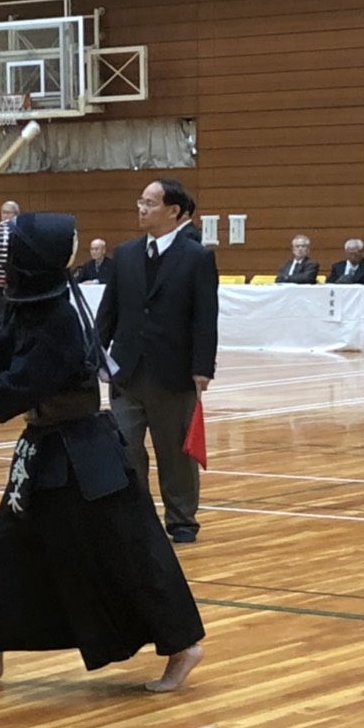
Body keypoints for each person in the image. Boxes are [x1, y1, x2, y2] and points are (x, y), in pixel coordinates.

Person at [0, 212, 205, 692]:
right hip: (43, 447)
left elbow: (12, 389)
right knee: (9, 542)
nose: (2, 264)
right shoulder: (30, 309)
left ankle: (183, 646)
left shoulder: (61, 320)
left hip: (87, 454)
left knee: (132, 550)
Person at [96, 177, 218, 543]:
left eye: (149, 203)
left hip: (173, 372)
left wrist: (202, 368)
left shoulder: (197, 257)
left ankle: (182, 520)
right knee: (125, 448)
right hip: (126, 371)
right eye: (140, 201)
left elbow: (205, 317)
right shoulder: (125, 254)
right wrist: (95, 355)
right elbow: (108, 312)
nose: (141, 208)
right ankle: (135, 519)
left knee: (175, 453)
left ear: (174, 211)